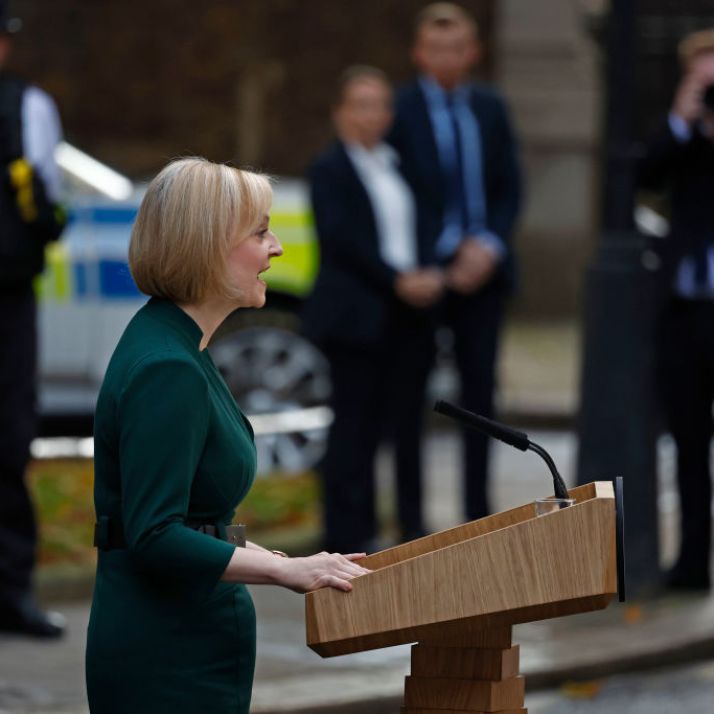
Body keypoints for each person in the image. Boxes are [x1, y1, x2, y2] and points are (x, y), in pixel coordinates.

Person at [85, 158, 369, 713]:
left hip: (187, 639)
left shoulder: (179, 342)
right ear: (207, 247)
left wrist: (295, 560)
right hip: (167, 655)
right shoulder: (167, 366)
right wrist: (285, 570)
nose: (276, 248)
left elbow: (200, 524)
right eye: (260, 233)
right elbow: (155, 534)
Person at [388, 3, 522, 520]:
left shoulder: (490, 107)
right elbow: (395, 193)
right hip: (423, 275)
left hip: (483, 272)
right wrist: (425, 261)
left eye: (456, 48)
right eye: (436, 48)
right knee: (408, 397)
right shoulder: (399, 110)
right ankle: (410, 521)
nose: (446, 57)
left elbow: (510, 186)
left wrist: (488, 245)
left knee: (480, 398)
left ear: (473, 53)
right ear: (419, 53)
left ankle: (479, 516)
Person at [302, 66, 443, 553]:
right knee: (354, 429)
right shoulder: (329, 169)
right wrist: (396, 278)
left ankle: (411, 528)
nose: (372, 115)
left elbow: (422, 227)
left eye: (380, 105)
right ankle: (347, 535)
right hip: (356, 317)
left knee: (409, 426)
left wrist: (428, 273)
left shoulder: (399, 164)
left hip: (409, 316)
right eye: (361, 105)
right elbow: (342, 240)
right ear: (340, 112)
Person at [638, 29, 714, 592]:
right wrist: (683, 118)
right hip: (686, 313)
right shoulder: (681, 140)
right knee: (688, 443)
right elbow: (644, 174)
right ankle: (691, 565)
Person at [0, 2, 67, 638]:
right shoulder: (27, 105)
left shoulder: (28, 104)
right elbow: (47, 205)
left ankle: (10, 593)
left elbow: (45, 204)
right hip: (9, 294)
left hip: (9, 295)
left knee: (8, 444)